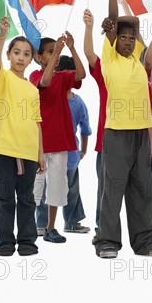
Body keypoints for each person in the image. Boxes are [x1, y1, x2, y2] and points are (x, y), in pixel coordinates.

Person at [93, 0, 152, 259]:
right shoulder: (110, 55)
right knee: (113, 187)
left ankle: (145, 240)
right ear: (115, 39)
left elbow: (145, 47)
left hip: (140, 132)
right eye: (123, 37)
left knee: (143, 187)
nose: (128, 41)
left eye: (132, 38)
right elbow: (112, 19)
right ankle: (107, 240)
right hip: (117, 132)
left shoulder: (137, 57)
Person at [0, 17, 45, 257]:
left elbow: (38, 123)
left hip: (28, 151)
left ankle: (28, 241)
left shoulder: (33, 89)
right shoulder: (3, 78)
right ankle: (5, 242)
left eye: (26, 54)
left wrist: (41, 154)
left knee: (27, 198)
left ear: (32, 59)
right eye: (17, 52)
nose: (21, 57)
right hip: (5, 148)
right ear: (9, 55)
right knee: (6, 196)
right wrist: (2, 35)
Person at [30, 32, 86, 244]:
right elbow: (44, 82)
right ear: (39, 57)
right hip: (40, 144)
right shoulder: (35, 76)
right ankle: (32, 225)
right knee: (35, 188)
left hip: (61, 143)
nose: (55, 55)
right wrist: (58, 54)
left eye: (56, 51)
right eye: (50, 52)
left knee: (56, 187)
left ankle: (51, 228)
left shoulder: (63, 78)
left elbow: (81, 75)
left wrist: (71, 48)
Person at [56, 55, 93, 234]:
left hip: (70, 155)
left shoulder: (78, 102)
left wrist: (83, 150)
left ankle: (69, 222)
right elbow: (85, 129)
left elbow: (85, 129)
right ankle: (45, 223)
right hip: (52, 153)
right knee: (63, 189)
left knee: (70, 189)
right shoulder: (51, 98)